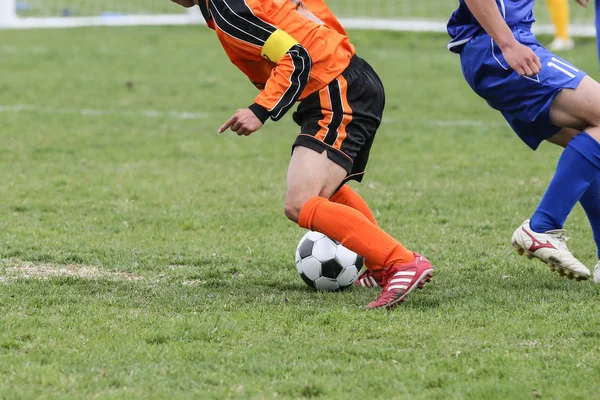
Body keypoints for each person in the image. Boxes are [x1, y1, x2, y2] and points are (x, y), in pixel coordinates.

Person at [170, 0, 434, 308]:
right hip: (343, 78)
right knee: (326, 190)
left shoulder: (230, 10)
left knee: (299, 202)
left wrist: (260, 110)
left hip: (336, 90)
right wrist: (336, 54)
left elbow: (296, 57)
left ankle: (400, 262)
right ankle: (380, 266)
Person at [447, 0, 600, 282]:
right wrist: (507, 43)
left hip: (503, 43)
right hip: (497, 46)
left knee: (588, 141)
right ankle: (543, 225)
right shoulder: (503, 43)